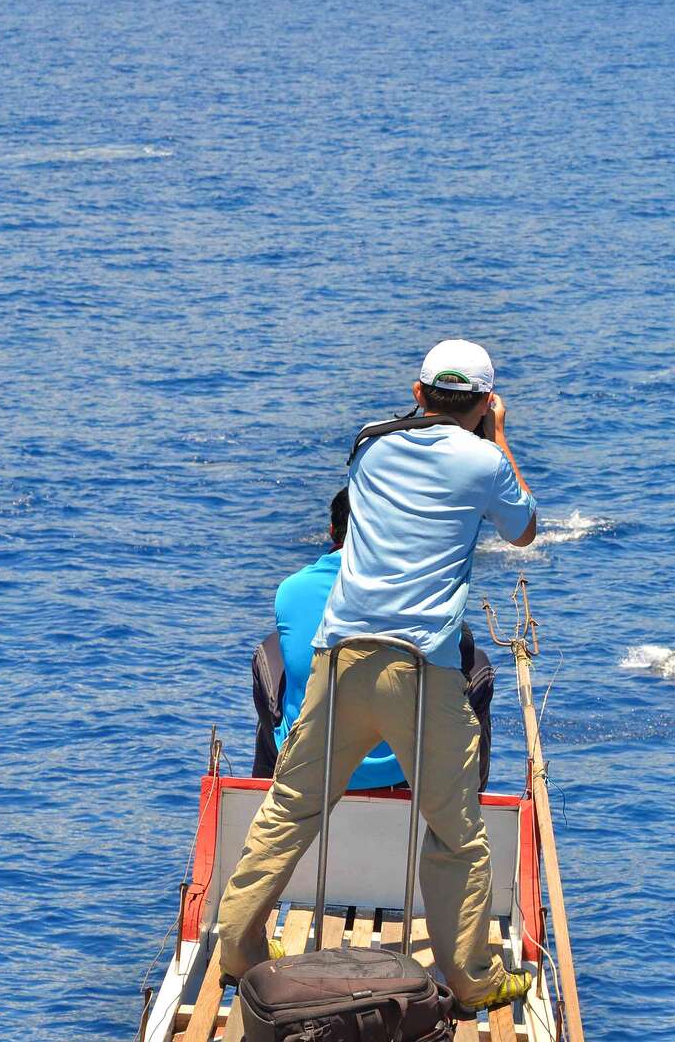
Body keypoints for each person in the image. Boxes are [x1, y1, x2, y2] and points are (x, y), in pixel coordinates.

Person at [217, 340, 539, 1010]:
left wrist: (444, 412)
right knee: (456, 832)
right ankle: (473, 980)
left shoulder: (369, 444)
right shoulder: (483, 459)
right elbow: (524, 531)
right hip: (420, 667)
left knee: (288, 810)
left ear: (418, 394)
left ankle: (238, 950)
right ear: (484, 402)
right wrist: (499, 434)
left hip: (343, 656)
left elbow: (407, 434)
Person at [249, 488, 496, 791]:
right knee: (476, 663)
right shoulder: (423, 587)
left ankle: (264, 785)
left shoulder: (292, 589)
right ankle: (471, 790)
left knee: (272, 650)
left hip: (312, 761)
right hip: (405, 766)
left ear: (331, 531)